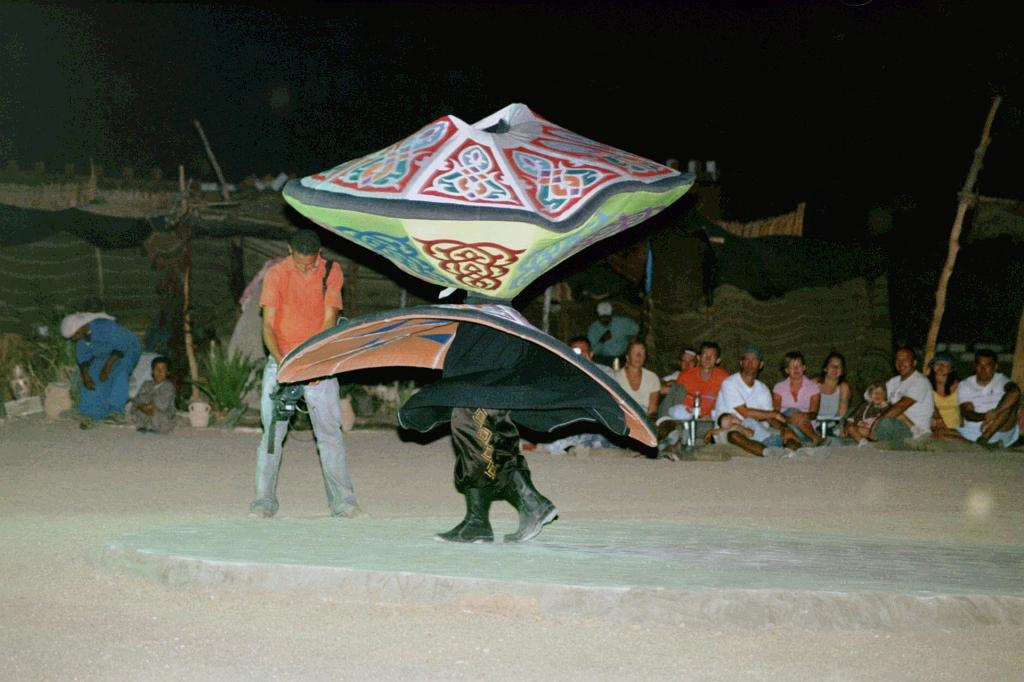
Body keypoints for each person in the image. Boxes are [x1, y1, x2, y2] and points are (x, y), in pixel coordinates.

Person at [250, 229, 363, 519]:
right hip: (282, 359)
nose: (304, 268)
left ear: (319, 254)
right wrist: (285, 365)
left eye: (309, 264)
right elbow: (267, 326)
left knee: (330, 435)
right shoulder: (276, 274)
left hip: (317, 360)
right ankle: (263, 502)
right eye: (299, 263)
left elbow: (329, 320)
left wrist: (312, 362)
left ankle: (344, 503)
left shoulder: (331, 271)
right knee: (272, 436)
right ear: (289, 251)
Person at [713, 346, 807, 458]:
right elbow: (745, 412)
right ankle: (769, 452)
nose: (750, 363)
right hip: (731, 428)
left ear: (761, 364)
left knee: (787, 435)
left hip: (760, 429)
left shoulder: (763, 388)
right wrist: (773, 414)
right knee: (734, 436)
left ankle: (795, 451)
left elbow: (770, 418)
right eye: (747, 359)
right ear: (741, 363)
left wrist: (784, 428)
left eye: (754, 359)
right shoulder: (729, 383)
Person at [61, 311, 141, 426]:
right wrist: (86, 377)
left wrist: (106, 369)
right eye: (72, 337)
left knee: (119, 373)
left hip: (128, 348)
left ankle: (116, 412)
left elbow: (121, 346)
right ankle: (91, 412)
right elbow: (82, 357)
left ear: (82, 325)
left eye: (75, 334)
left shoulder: (105, 326)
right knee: (93, 375)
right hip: (106, 351)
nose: (74, 339)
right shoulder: (81, 336)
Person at [956, 349, 1021, 448]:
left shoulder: (1001, 380)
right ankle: (987, 445)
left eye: (987, 365)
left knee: (1009, 405)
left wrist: (995, 413)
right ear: (975, 366)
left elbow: (1015, 392)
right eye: (980, 365)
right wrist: (985, 416)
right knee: (940, 433)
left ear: (995, 367)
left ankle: (983, 440)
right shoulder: (965, 384)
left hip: (1000, 429)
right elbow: (968, 414)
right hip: (975, 430)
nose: (983, 369)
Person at [868, 346, 934, 442]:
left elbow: (900, 407)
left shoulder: (920, 381)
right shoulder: (893, 381)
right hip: (895, 422)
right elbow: (875, 397)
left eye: (905, 359)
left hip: (914, 431)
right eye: (898, 360)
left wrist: (876, 423)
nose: (901, 363)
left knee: (885, 422)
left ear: (914, 362)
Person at [772, 351, 824, 446]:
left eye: (799, 365)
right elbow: (775, 413)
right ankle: (814, 439)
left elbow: (814, 414)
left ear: (804, 367)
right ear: (787, 370)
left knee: (795, 413)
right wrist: (789, 419)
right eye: (792, 366)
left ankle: (812, 438)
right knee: (792, 411)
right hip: (787, 425)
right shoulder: (778, 387)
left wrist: (803, 415)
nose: (796, 369)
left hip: (807, 428)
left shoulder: (813, 387)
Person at [670, 341, 729, 420]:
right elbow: (675, 401)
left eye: (712, 356)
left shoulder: (724, 378)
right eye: (704, 355)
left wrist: (711, 416)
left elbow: (726, 403)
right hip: (686, 417)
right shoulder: (685, 376)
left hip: (710, 419)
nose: (707, 359)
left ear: (718, 360)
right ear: (698, 357)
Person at [613, 338, 661, 419]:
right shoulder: (615, 378)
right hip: (623, 419)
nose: (639, 355)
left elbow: (652, 410)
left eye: (642, 352)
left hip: (644, 420)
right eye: (635, 352)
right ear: (627, 356)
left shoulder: (653, 378)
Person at [128, 356, 176, 433]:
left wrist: (150, 406)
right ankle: (142, 426)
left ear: (168, 372)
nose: (159, 371)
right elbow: (138, 398)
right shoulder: (146, 384)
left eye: (163, 369)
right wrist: (141, 406)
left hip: (161, 413)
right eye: (157, 369)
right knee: (136, 410)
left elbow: (163, 404)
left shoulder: (168, 386)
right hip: (146, 409)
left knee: (157, 415)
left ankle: (155, 428)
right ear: (152, 371)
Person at [586, 301, 639, 367]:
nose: (605, 319)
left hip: (623, 356)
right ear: (598, 316)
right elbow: (591, 351)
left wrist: (633, 338)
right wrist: (602, 340)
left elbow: (637, 328)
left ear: (611, 314)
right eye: (602, 317)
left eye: (607, 317)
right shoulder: (593, 329)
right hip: (604, 359)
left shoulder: (621, 322)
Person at [928, 351, 963, 438]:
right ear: (932, 366)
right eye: (938, 363)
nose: (941, 366)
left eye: (945, 364)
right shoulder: (926, 384)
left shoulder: (959, 385)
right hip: (934, 427)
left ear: (951, 369)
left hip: (955, 428)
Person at [815, 352, 851, 435]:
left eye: (839, 366)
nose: (835, 368)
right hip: (813, 426)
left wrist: (840, 431)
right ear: (825, 368)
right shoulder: (814, 384)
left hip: (832, 427)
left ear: (842, 371)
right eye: (832, 365)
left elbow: (841, 415)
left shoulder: (843, 387)